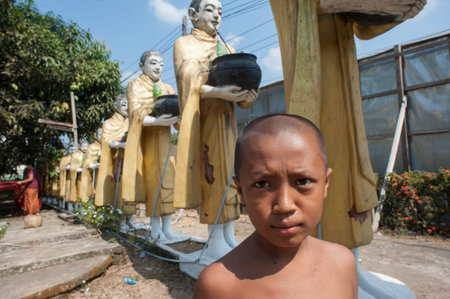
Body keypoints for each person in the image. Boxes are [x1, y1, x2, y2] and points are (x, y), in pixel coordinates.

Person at [269, 0, 426, 249]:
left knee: (350, 161)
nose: (215, 18)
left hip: (346, 78)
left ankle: (351, 262)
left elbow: (362, 28)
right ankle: (322, 255)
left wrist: (399, 12)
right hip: (315, 77)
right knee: (323, 158)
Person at [193, 114, 357, 298]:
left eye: (303, 181)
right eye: (262, 184)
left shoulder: (343, 263)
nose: (285, 205)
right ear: (240, 191)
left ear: (325, 184)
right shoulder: (218, 285)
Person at [173, 0, 258, 256]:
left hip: (227, 122)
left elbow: (240, 86)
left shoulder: (226, 46)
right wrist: (217, 91)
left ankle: (229, 236)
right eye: (210, 9)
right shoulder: (184, 44)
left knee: (232, 174)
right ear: (193, 14)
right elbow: (186, 78)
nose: (217, 16)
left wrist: (247, 95)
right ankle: (215, 240)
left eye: (220, 11)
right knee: (212, 174)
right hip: (204, 120)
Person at [122, 50, 180, 239]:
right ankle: (155, 228)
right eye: (153, 63)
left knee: (168, 181)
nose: (158, 67)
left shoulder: (168, 88)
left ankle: (168, 227)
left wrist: (175, 119)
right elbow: (135, 116)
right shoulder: (135, 85)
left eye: (161, 64)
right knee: (153, 182)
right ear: (142, 66)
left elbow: (178, 116)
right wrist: (156, 121)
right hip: (147, 144)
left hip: (165, 143)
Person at [95, 94, 129, 208]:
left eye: (129, 104)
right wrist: (118, 144)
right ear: (116, 106)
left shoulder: (132, 122)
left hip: (128, 160)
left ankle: (127, 218)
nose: (127, 107)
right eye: (124, 105)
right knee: (116, 187)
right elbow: (106, 141)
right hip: (114, 161)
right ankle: (115, 216)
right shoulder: (108, 123)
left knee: (128, 188)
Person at [78, 128, 102, 202]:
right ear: (96, 136)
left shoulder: (107, 147)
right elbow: (87, 161)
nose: (102, 136)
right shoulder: (91, 147)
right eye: (100, 135)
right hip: (94, 173)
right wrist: (93, 164)